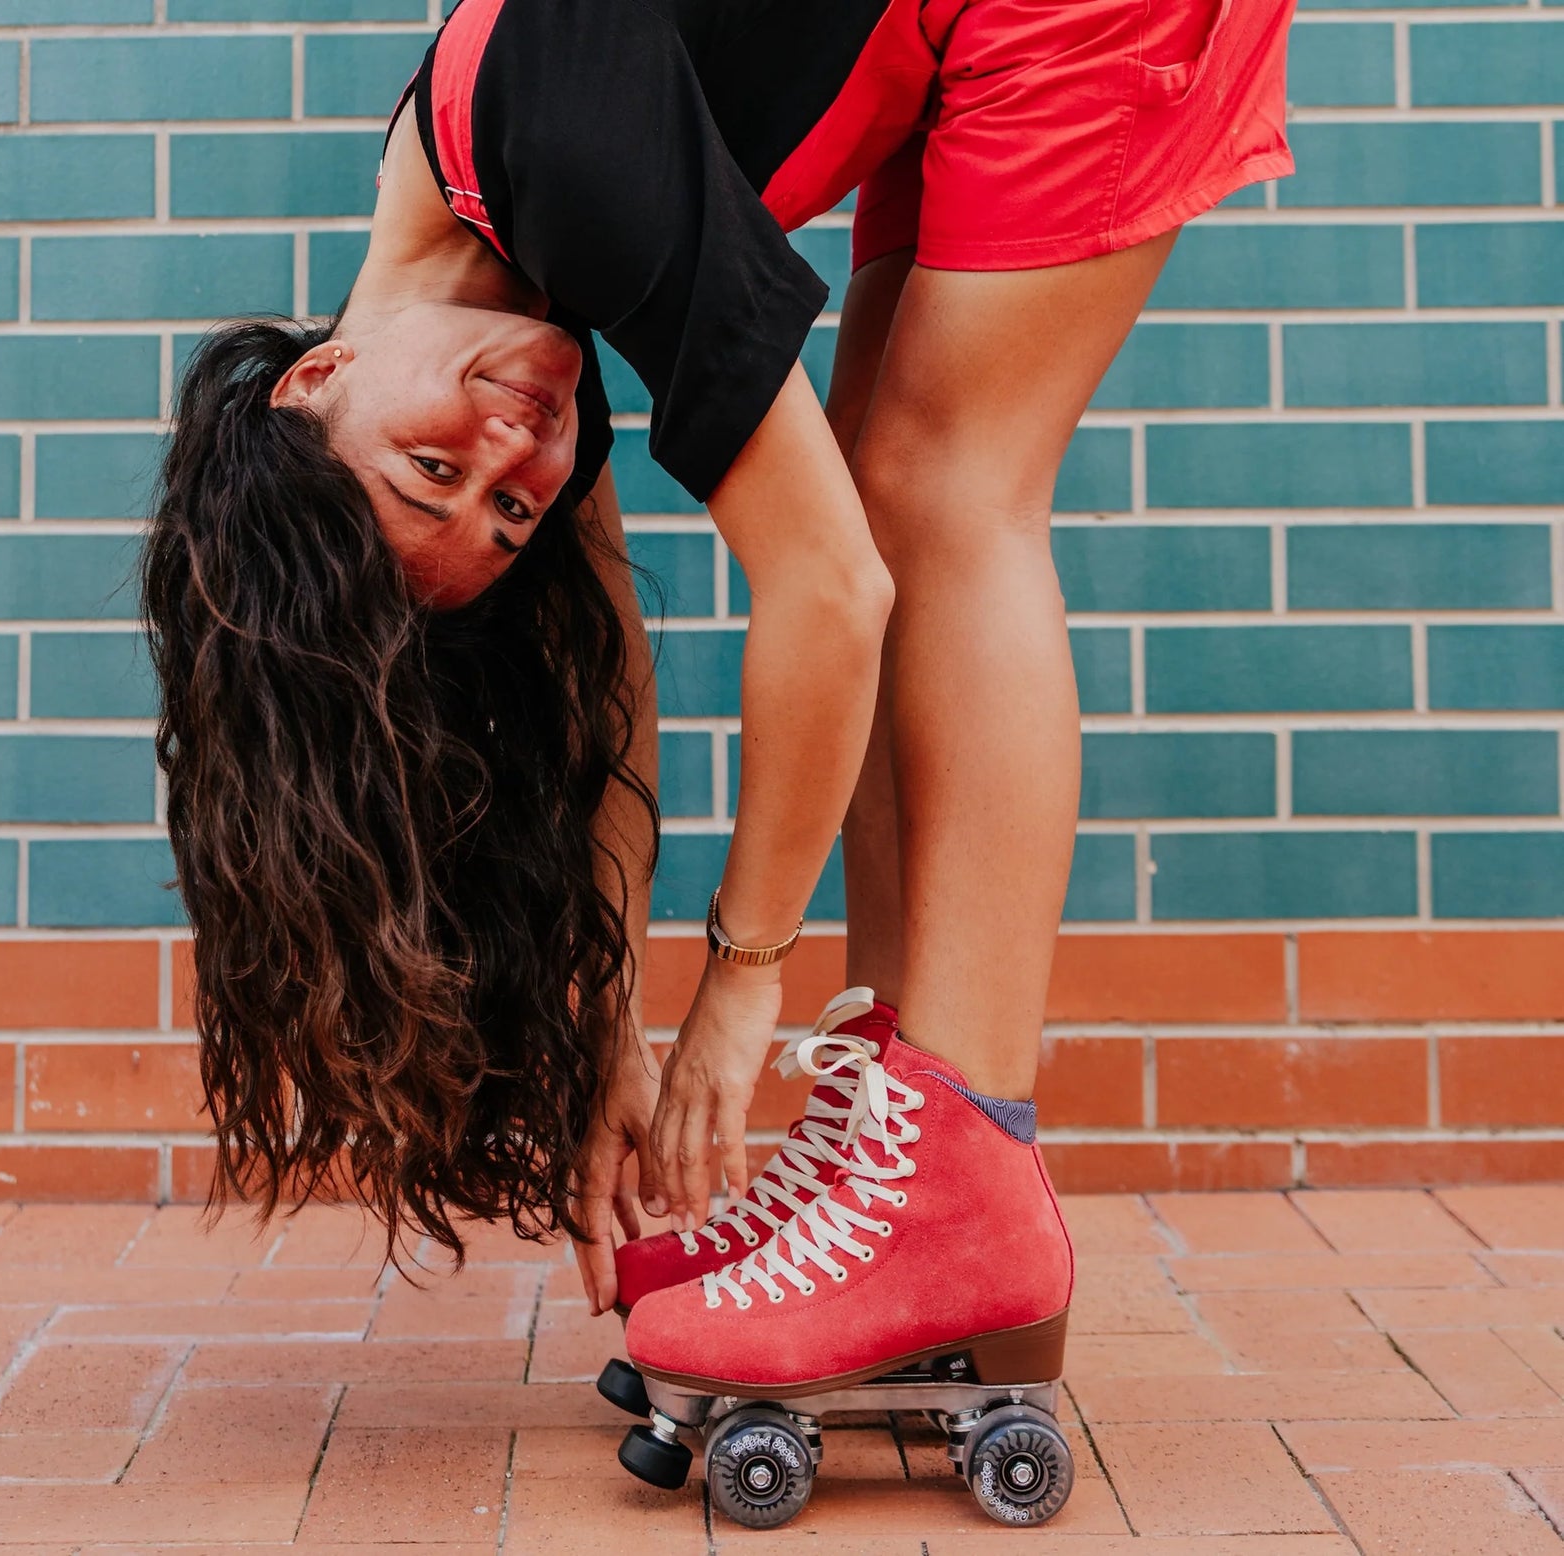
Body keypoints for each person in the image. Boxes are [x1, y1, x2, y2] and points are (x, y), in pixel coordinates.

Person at [142, 0, 1294, 1389]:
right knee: (885, 483)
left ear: (316, 378)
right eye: (509, 513)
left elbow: (830, 596)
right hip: (951, 35)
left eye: (434, 473)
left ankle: (962, 1190)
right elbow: (600, 684)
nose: (508, 458)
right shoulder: (484, 262)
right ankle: (891, 1155)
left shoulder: (561, 153)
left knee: (941, 497)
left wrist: (742, 991)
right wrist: (603, 1024)